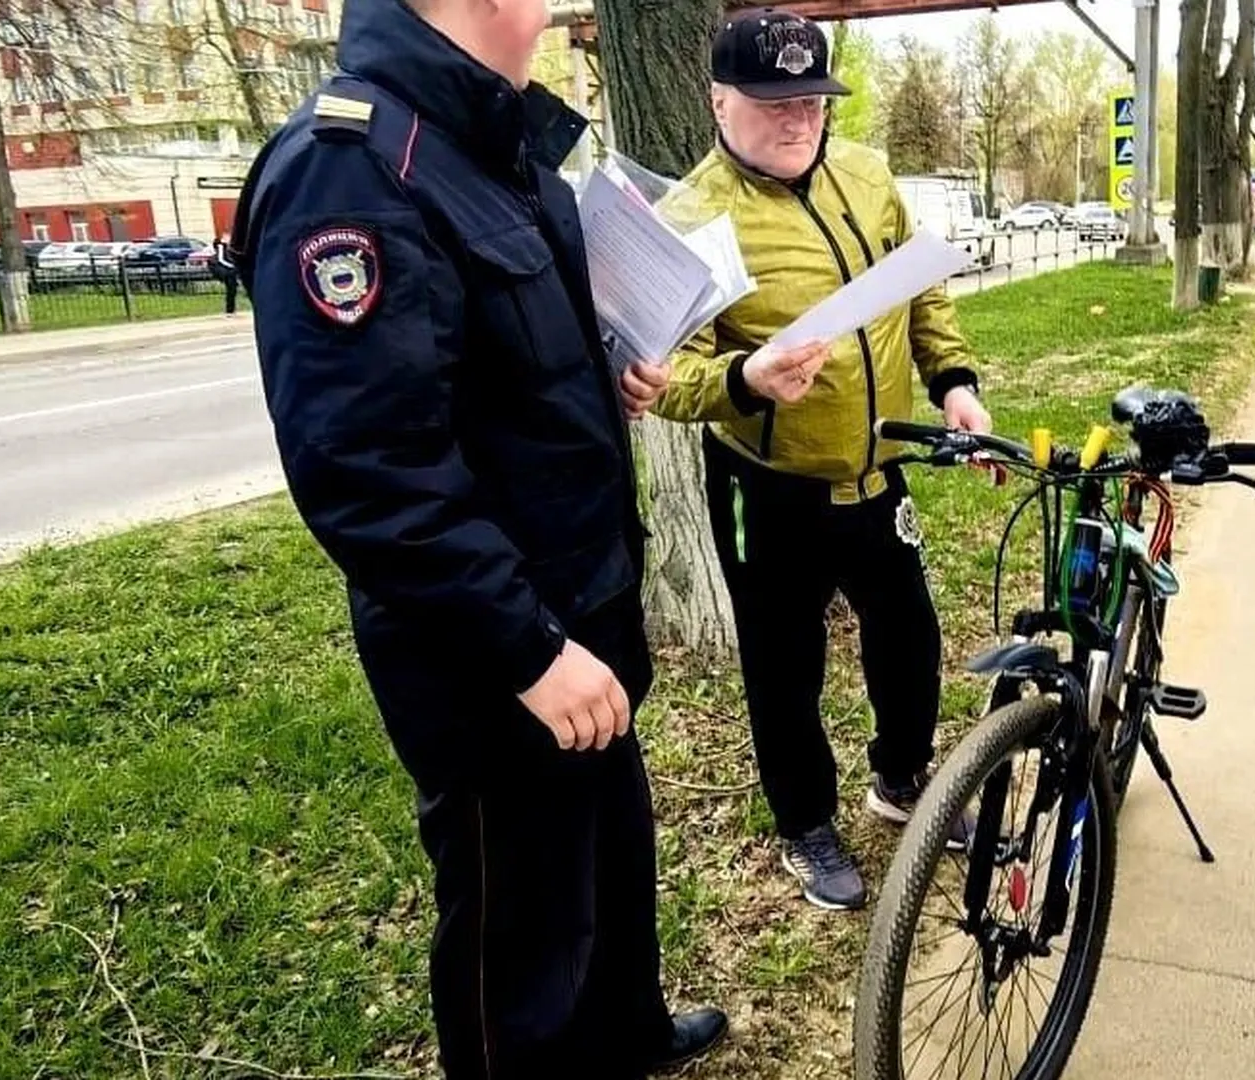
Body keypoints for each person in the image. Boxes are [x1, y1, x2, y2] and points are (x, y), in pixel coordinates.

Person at [228, 0, 726, 1073]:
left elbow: (494, 373)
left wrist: (604, 375)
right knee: (522, 941)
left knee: (607, 864)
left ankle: (626, 1034)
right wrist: (528, 651)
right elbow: (367, 472)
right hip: (496, 654)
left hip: (582, 604)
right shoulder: (353, 170)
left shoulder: (487, 144)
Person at [620, 7, 991, 913]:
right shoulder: (693, 218)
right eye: (774, 102)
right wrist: (746, 377)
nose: (800, 120)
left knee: (909, 638)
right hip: (767, 487)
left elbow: (922, 291)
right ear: (718, 101)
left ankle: (903, 781)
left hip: (875, 471)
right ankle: (805, 824)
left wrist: (954, 381)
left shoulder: (867, 176)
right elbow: (660, 379)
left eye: (814, 101)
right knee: (784, 666)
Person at [212, 231, 239, 316]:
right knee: (231, 288)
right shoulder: (221, 246)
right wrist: (231, 266)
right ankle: (229, 310)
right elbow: (221, 259)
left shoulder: (229, 247)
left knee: (232, 289)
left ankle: (231, 309)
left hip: (230, 271)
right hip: (225, 270)